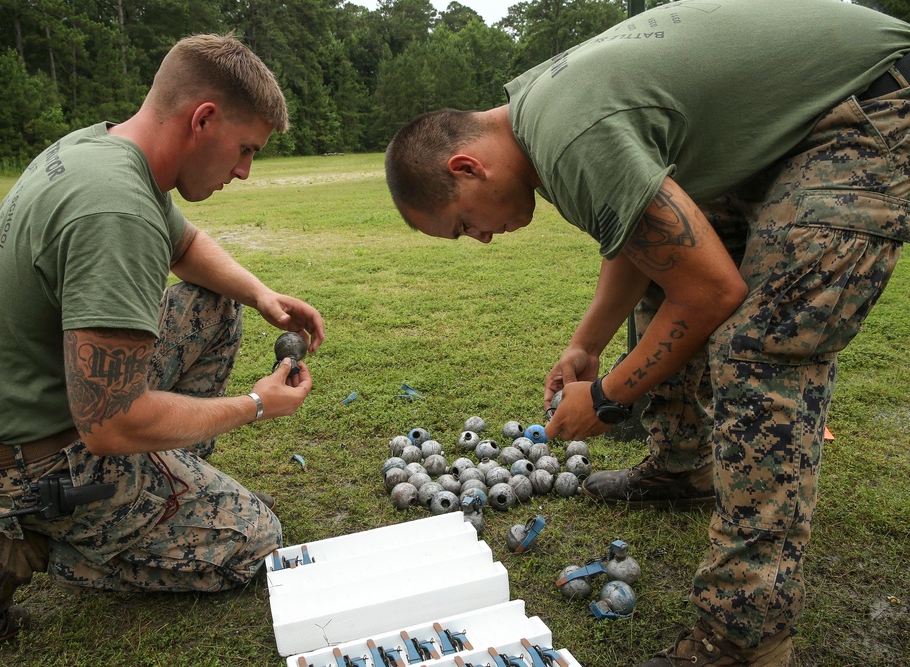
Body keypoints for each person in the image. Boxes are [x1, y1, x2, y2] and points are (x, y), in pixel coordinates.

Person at [384, 1, 910, 665]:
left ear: (466, 168)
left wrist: (607, 396)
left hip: (867, 104)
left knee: (760, 347)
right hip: (814, 109)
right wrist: (586, 344)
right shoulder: (535, 111)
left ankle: (744, 634)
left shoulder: (569, 139)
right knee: (668, 271)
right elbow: (636, 228)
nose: (481, 238)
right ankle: (684, 467)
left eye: (464, 225)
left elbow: (714, 291)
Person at [0, 34, 325, 651]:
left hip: (34, 415)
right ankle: (13, 543)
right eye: (245, 149)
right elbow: (111, 426)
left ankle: (163, 488)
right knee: (255, 540)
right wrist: (256, 406)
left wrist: (260, 294)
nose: (245, 171)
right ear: (203, 119)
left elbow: (187, 248)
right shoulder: (115, 211)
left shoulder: (103, 150)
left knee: (212, 307)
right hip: (35, 460)